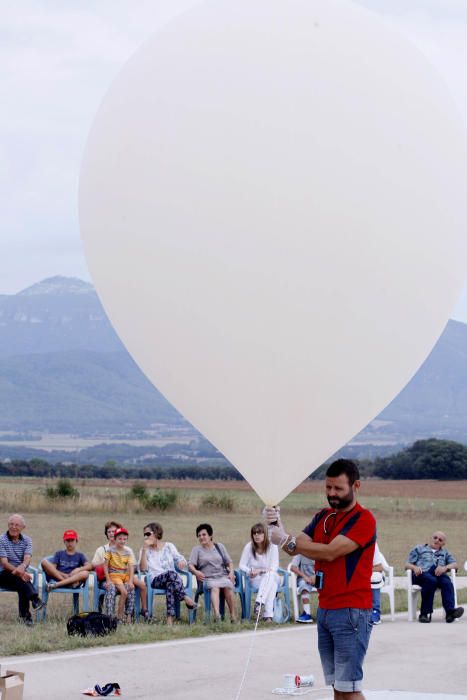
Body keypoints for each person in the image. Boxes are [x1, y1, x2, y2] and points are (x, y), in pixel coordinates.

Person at [265, 459, 376, 700]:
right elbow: (297, 546)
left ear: (356, 485)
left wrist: (287, 540)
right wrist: (278, 526)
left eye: (338, 488)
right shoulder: (324, 516)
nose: (332, 494)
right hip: (326, 608)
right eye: (328, 488)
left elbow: (330, 551)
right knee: (338, 687)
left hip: (351, 611)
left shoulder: (364, 520)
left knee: (351, 690)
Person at [139, 522, 197, 626]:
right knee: (171, 573)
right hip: (155, 580)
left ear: (156, 533)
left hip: (172, 579)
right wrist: (144, 550)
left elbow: (181, 558)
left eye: (148, 534)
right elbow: (143, 568)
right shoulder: (144, 550)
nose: (146, 537)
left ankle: (169, 619)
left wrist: (182, 562)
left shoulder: (169, 546)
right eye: (145, 535)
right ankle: (185, 598)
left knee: (171, 584)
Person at [92, 520, 149, 620]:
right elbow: (94, 565)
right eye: (109, 531)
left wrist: (129, 578)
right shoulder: (103, 550)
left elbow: (132, 566)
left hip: (125, 575)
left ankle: (136, 613)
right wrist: (109, 565)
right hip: (110, 577)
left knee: (134, 586)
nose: (111, 533)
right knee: (116, 589)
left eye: (113, 531)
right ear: (107, 534)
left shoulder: (127, 550)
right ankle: (113, 616)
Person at [405, 530, 464, 624]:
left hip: (437, 575)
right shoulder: (419, 549)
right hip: (421, 574)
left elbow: (455, 565)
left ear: (443, 543)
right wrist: (414, 567)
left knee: (447, 582)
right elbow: (407, 564)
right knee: (430, 580)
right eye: (435, 538)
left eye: (440, 540)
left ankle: (450, 612)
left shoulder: (445, 553)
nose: (437, 540)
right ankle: (424, 614)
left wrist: (445, 568)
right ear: (431, 538)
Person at [0, 513, 44, 625]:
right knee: (23, 579)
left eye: (17, 525)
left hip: (19, 574)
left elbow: (27, 558)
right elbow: (4, 563)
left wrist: (22, 568)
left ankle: (25, 617)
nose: (13, 527)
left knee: (21, 583)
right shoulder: (1, 540)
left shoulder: (27, 540)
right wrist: (20, 573)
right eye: (11, 524)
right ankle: (34, 602)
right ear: (8, 525)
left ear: (23, 527)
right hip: (3, 574)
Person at [188, 523, 237, 622]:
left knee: (228, 586)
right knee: (215, 587)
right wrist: (196, 572)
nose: (201, 537)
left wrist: (231, 573)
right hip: (207, 578)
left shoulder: (219, 547)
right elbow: (190, 565)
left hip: (222, 576)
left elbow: (229, 562)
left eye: (204, 534)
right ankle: (217, 616)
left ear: (210, 536)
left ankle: (233, 616)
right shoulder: (196, 550)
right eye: (199, 536)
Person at [239, 522, 279, 623]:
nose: (256, 535)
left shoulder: (273, 547)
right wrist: (250, 571)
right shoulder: (249, 547)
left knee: (270, 576)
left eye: (259, 533)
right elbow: (241, 565)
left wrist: (260, 570)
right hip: (256, 579)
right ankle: (268, 616)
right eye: (254, 533)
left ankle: (259, 602)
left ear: (265, 534)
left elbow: (274, 567)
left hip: (272, 576)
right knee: (272, 585)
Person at [103, 527, 135, 622]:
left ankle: (129, 616)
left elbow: (131, 567)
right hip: (114, 575)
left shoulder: (128, 552)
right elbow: (105, 566)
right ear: (115, 539)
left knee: (130, 588)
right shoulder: (110, 551)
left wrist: (130, 581)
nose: (122, 541)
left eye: (124, 539)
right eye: (120, 539)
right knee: (124, 592)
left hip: (124, 576)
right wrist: (108, 580)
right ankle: (118, 617)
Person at [290, 553, 316, 623]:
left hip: (318, 577)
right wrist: (305, 576)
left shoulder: (319, 550)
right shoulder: (300, 553)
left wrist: (316, 577)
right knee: (303, 585)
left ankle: (328, 612)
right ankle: (307, 614)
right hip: (304, 579)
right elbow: (292, 567)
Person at [370, 543, 385, 625]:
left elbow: (379, 567)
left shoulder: (373, 545)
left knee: (375, 578)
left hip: (375, 575)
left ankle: (376, 612)